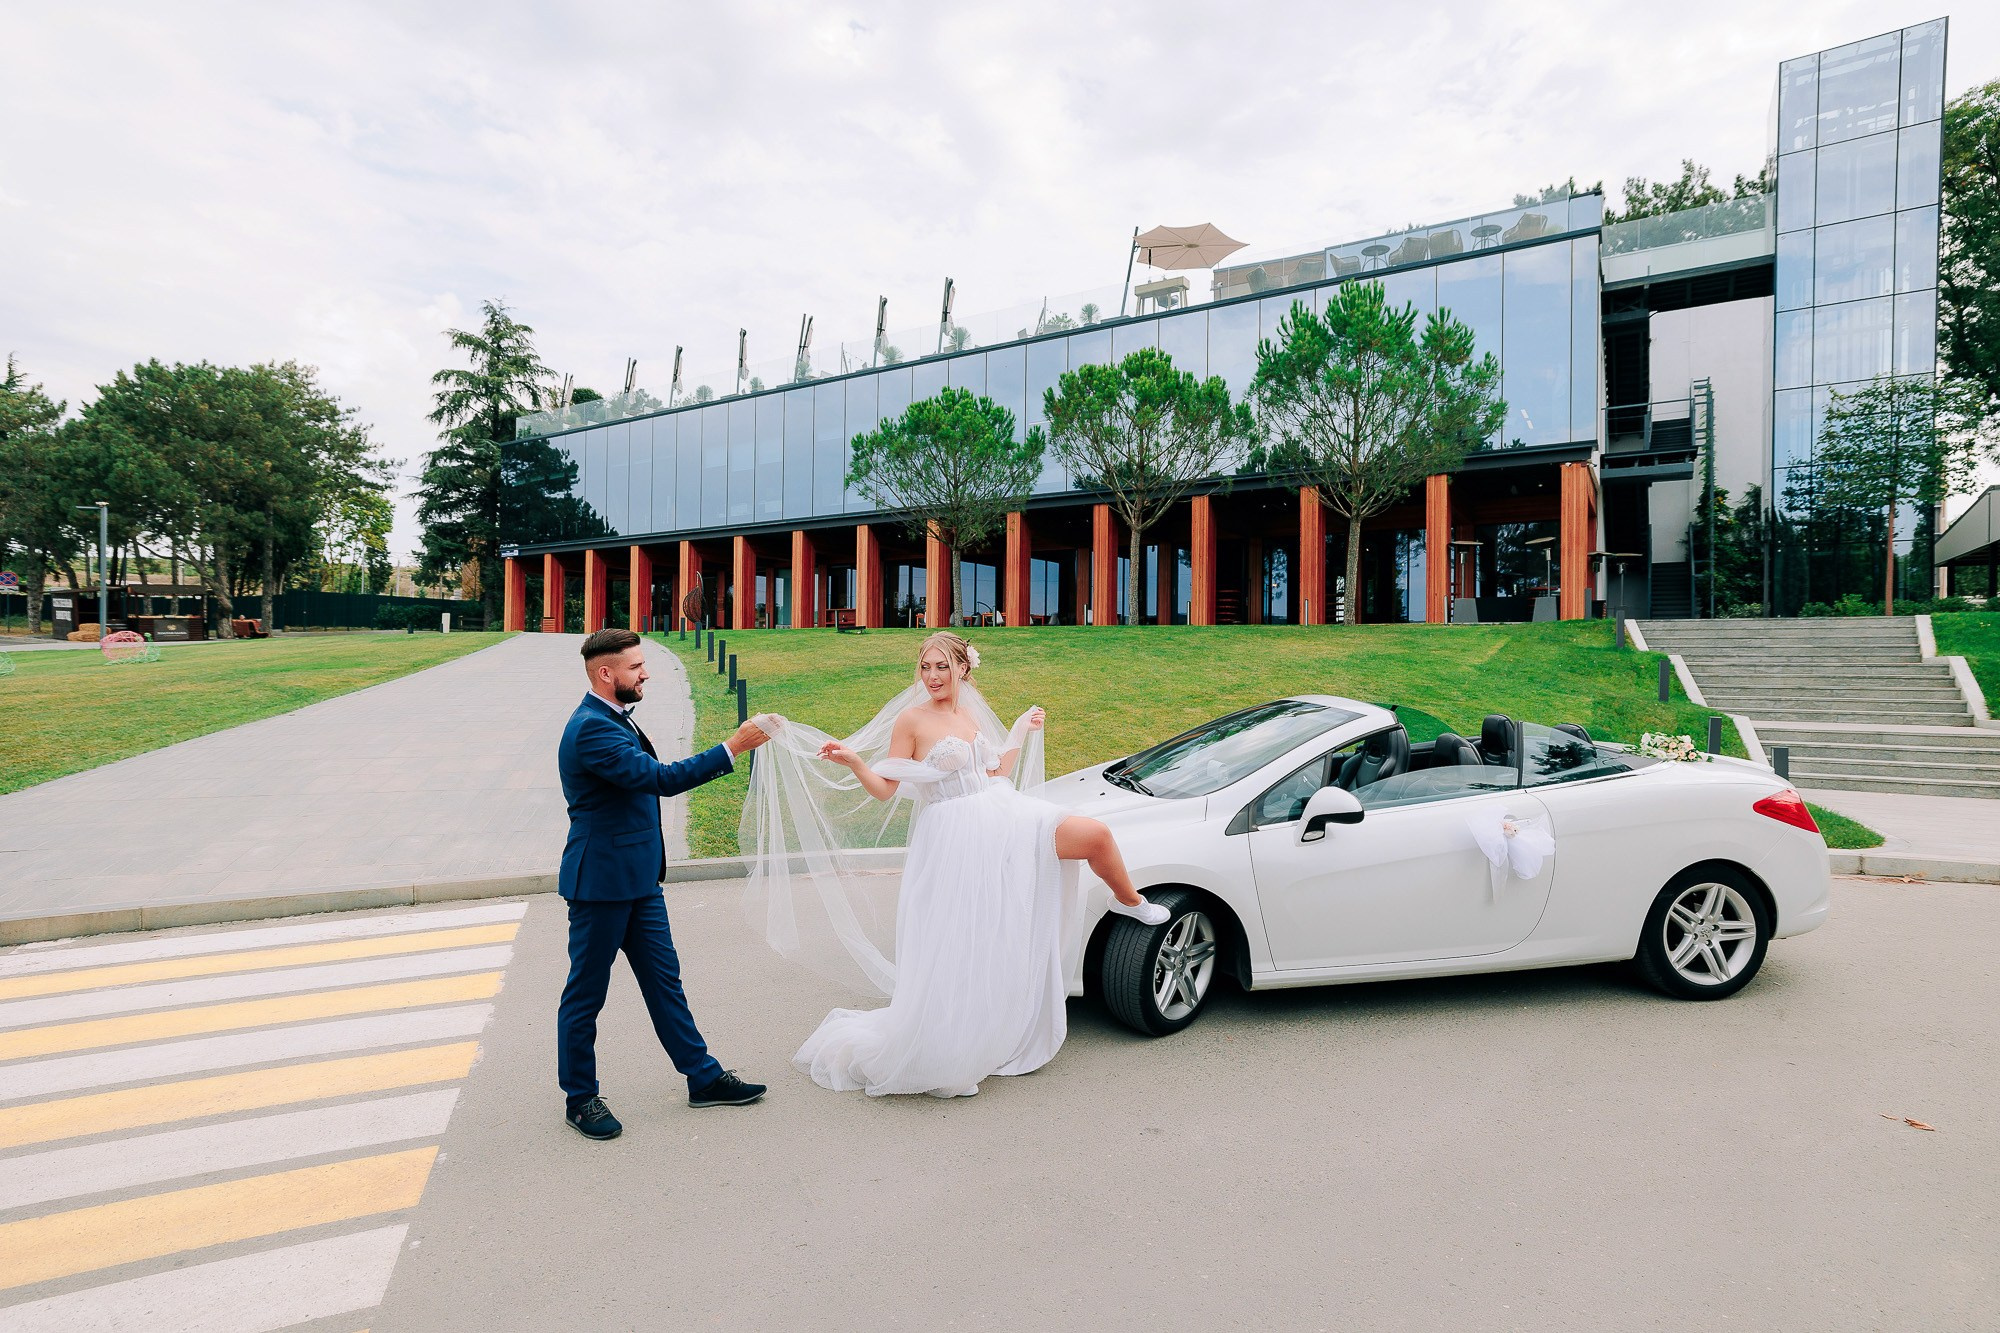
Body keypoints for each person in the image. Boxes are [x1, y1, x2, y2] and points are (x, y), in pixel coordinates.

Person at [744, 631, 1167, 1099]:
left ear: (964, 669)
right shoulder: (911, 720)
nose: (932, 677)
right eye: (925, 667)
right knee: (963, 936)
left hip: (999, 813)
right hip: (952, 835)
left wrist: (1019, 731)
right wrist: (854, 763)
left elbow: (993, 773)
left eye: (942, 666)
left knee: (1095, 836)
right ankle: (953, 1044)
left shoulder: (968, 714)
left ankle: (1130, 901)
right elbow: (887, 788)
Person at [556, 627, 771, 1140]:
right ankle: (581, 1099)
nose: (646, 672)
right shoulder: (591, 729)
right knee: (586, 995)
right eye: (635, 666)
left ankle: (702, 1078)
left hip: (639, 882)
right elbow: (661, 779)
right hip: (600, 884)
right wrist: (733, 747)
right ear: (605, 674)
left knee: (664, 982)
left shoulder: (610, 719)